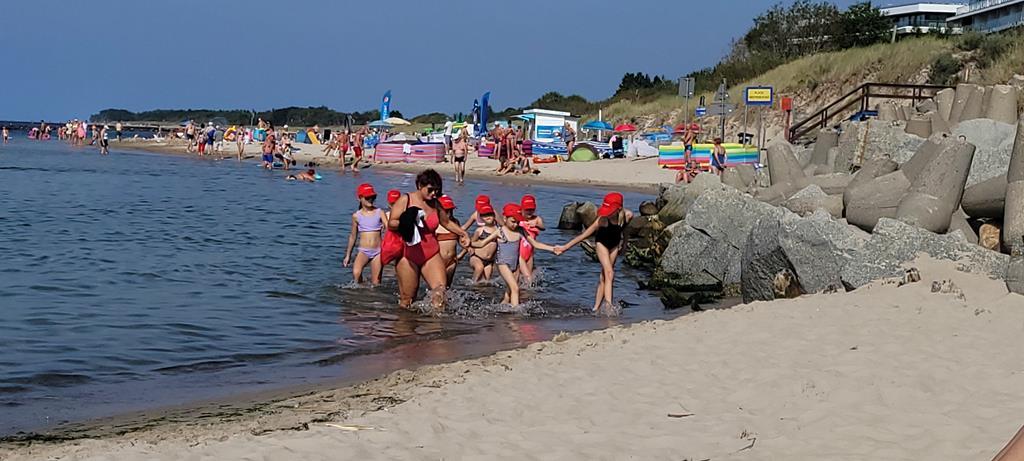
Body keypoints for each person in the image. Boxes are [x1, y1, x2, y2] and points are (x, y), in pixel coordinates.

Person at [387, 169, 471, 312]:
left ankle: (435, 324)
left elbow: (446, 222)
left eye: (436, 190)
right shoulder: (406, 200)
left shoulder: (435, 204)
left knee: (440, 292)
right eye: (430, 190)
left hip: (431, 254)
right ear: (420, 185)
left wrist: (463, 233)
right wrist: (407, 221)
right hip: (408, 255)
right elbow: (391, 224)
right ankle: (405, 325)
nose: (433, 194)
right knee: (408, 299)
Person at [555, 192, 633, 314]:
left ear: (618, 209)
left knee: (604, 276)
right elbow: (583, 236)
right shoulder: (601, 220)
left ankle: (596, 308)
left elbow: (626, 229)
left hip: (614, 245)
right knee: (609, 273)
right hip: (601, 244)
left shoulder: (627, 215)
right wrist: (564, 247)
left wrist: (625, 244)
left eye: (610, 211)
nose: (607, 214)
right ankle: (609, 306)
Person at [471, 203, 555, 306]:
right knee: (515, 288)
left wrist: (552, 248)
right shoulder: (500, 231)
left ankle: (500, 308)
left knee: (509, 293)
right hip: (503, 264)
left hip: (515, 265)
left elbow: (535, 244)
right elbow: (482, 243)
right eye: (513, 222)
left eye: (518, 222)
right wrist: (469, 243)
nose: (515, 225)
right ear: (505, 218)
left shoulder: (520, 230)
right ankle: (516, 312)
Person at [343, 183, 385, 285]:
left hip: (378, 251)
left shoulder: (379, 212)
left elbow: (390, 228)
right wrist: (348, 255)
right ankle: (362, 290)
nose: (371, 200)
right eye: (367, 197)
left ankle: (374, 293)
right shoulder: (356, 216)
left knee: (376, 282)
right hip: (363, 251)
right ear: (360, 198)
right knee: (356, 273)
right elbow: (353, 236)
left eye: (373, 197)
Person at [465, 202, 498, 283]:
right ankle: (471, 284)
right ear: (481, 218)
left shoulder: (498, 230)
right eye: (485, 215)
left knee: (486, 281)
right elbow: (471, 242)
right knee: (479, 268)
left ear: (494, 215)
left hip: (489, 261)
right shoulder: (480, 230)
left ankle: (478, 287)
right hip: (477, 257)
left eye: (490, 214)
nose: (488, 217)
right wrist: (468, 249)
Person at [434, 195, 463, 287]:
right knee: (439, 286)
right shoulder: (435, 224)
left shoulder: (455, 222)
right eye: (446, 211)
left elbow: (461, 240)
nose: (449, 214)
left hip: (452, 261)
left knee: (447, 287)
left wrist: (463, 253)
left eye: (451, 210)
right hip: (439, 261)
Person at [518, 194, 545, 283]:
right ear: (522, 208)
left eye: (532, 209)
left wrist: (536, 225)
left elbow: (543, 227)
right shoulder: (518, 218)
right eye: (527, 209)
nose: (529, 212)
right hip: (519, 253)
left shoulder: (537, 219)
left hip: (530, 253)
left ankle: (526, 289)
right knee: (522, 276)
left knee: (529, 277)